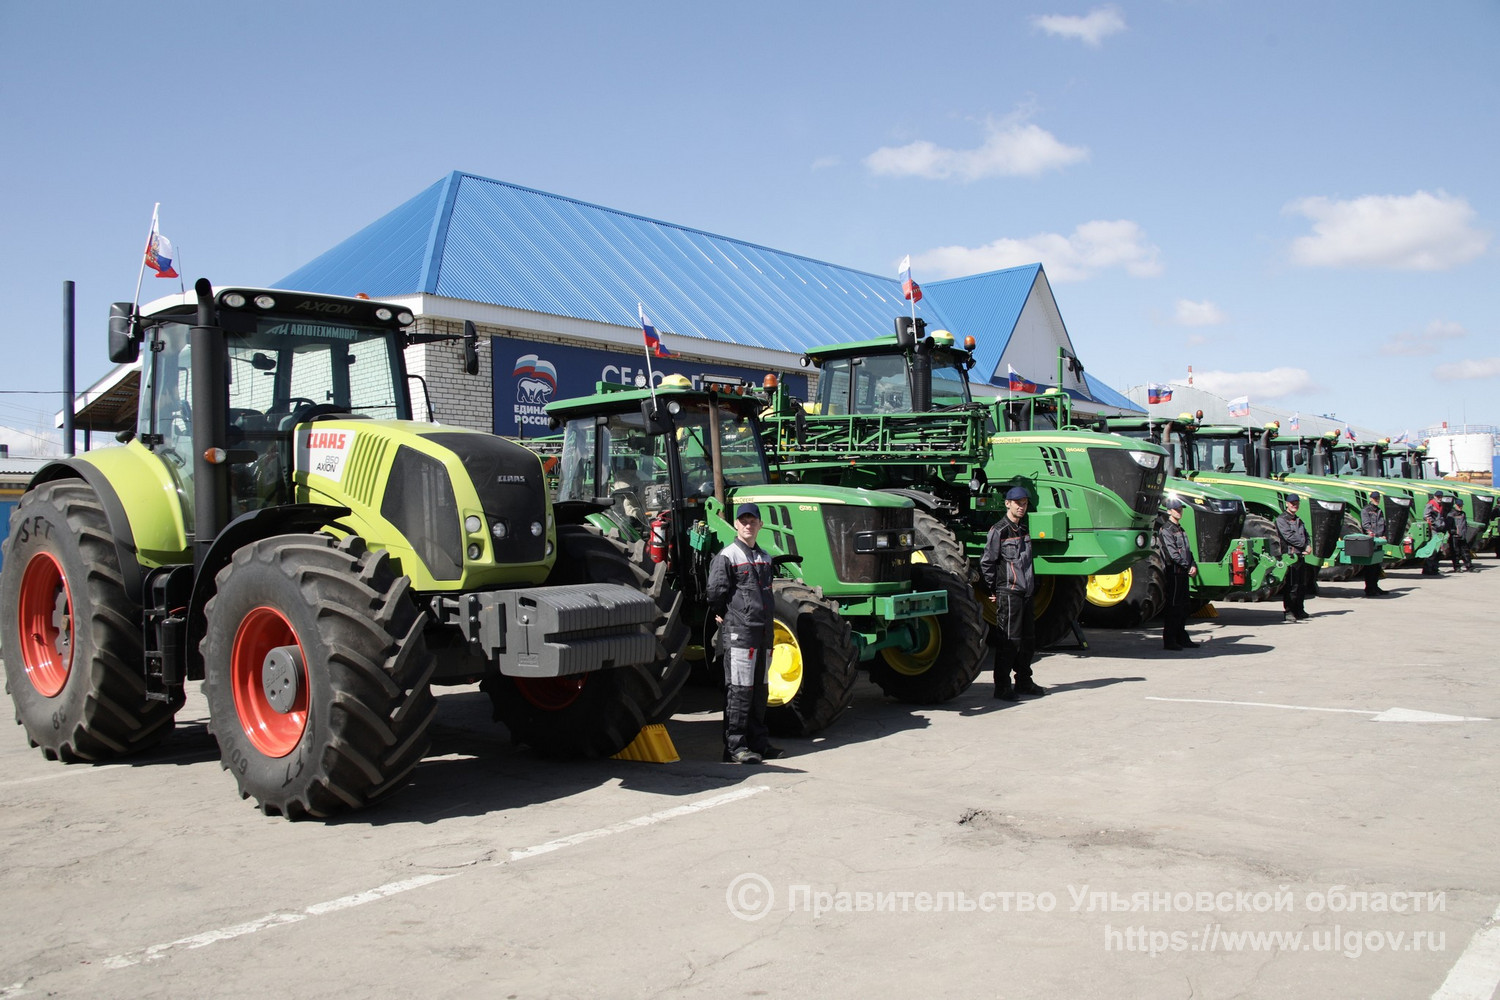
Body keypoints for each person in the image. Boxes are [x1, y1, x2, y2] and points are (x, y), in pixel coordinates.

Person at [706, 502, 781, 764]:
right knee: (739, 690)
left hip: (763, 633)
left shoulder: (765, 557)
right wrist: (724, 613)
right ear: (736, 525)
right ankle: (734, 747)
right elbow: (715, 592)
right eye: (743, 521)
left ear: (760, 525)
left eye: (753, 521)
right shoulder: (728, 556)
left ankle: (758, 743)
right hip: (740, 633)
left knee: (760, 689)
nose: (748, 525)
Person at [980, 486, 1045, 701]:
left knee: (1028, 640)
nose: (1021, 507)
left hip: (1025, 593)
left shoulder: (1023, 530)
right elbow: (987, 562)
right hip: (1009, 592)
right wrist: (992, 589)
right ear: (1007, 503)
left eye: (1024, 503)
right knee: (1009, 642)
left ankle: (1024, 682)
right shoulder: (999, 530)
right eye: (1017, 503)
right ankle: (1002, 687)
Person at [1158, 497, 1199, 649]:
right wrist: (1188, 566)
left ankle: (1182, 637)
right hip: (1174, 573)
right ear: (1169, 511)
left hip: (1183, 572)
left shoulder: (1181, 530)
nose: (1179, 512)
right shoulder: (1166, 530)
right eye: (1176, 509)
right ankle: (1170, 640)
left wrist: (1192, 564)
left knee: (1183, 606)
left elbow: (1187, 551)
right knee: (1173, 607)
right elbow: (1172, 554)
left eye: (1180, 509)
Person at [1275, 494, 1313, 622]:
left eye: (1296, 503)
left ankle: (1299, 610)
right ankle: (1289, 611)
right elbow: (1288, 536)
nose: (1294, 505)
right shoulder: (1282, 519)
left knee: (1302, 584)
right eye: (1292, 503)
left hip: (1300, 556)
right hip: (1289, 556)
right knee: (1292, 585)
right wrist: (1304, 546)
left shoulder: (1298, 520)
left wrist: (1308, 545)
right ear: (1287, 504)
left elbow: (1306, 535)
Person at [1359, 490, 1388, 596]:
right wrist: (1372, 534)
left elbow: (1383, 524)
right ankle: (1369, 588)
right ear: (1371, 498)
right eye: (1375, 498)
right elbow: (1366, 525)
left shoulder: (1379, 510)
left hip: (1379, 540)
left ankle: (1375, 587)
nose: (1377, 500)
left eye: (1378, 498)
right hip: (1370, 541)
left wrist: (1384, 535)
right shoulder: (1366, 510)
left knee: (1377, 566)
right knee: (1370, 567)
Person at [1422, 495, 1447, 577]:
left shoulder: (1440, 505)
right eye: (1438, 496)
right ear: (1434, 496)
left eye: (1441, 496)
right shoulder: (1430, 504)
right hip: (1433, 529)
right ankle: (1428, 569)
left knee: (1439, 549)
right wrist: (1433, 523)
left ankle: (1434, 568)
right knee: (1433, 549)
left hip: (1439, 529)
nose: (1440, 498)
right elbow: (1426, 515)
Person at [1451, 498, 1474, 572]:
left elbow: (1464, 524)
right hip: (1454, 537)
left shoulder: (1463, 513)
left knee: (1466, 552)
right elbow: (1449, 525)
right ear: (1455, 505)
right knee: (1456, 553)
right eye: (1459, 505)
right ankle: (1457, 567)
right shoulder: (1451, 514)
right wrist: (1454, 532)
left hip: (1462, 536)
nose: (1460, 507)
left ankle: (1469, 566)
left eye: (1461, 505)